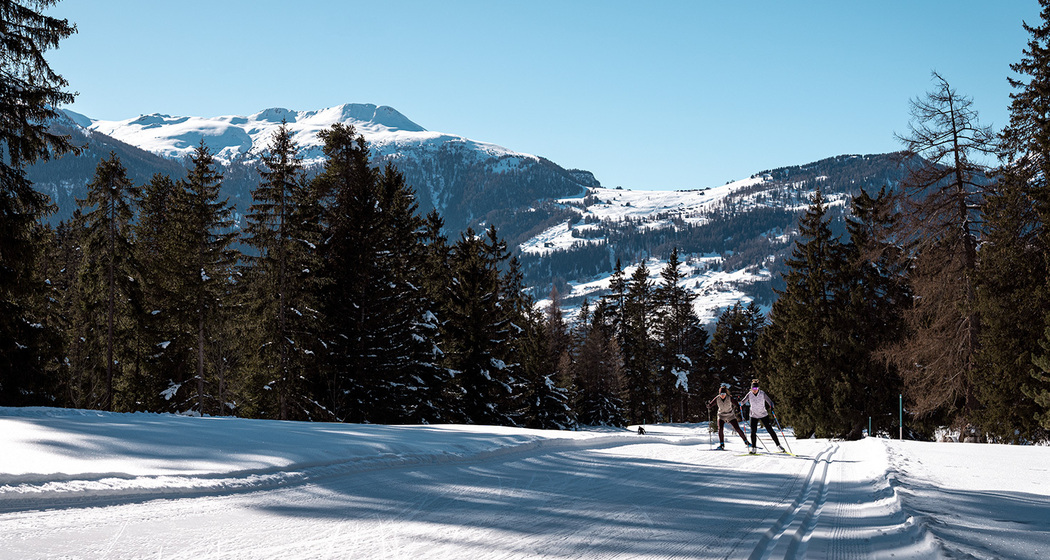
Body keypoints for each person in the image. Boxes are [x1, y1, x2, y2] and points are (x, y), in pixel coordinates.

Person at [740, 378, 785, 454]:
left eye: (756, 388)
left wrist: (771, 406)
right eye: (753, 388)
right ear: (751, 388)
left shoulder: (762, 393)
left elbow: (769, 401)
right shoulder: (749, 394)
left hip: (763, 414)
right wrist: (740, 404)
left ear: (758, 388)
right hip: (753, 415)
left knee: (770, 430)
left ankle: (778, 445)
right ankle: (753, 448)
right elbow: (743, 401)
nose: (754, 390)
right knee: (753, 432)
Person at [707, 384, 749, 450]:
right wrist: (708, 405)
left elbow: (737, 404)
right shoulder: (717, 398)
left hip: (730, 415)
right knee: (720, 429)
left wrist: (739, 406)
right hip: (721, 415)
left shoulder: (729, 398)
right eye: (721, 393)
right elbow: (710, 405)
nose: (722, 395)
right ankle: (721, 444)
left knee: (737, 428)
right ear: (719, 393)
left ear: (726, 393)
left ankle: (746, 442)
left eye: (723, 393)